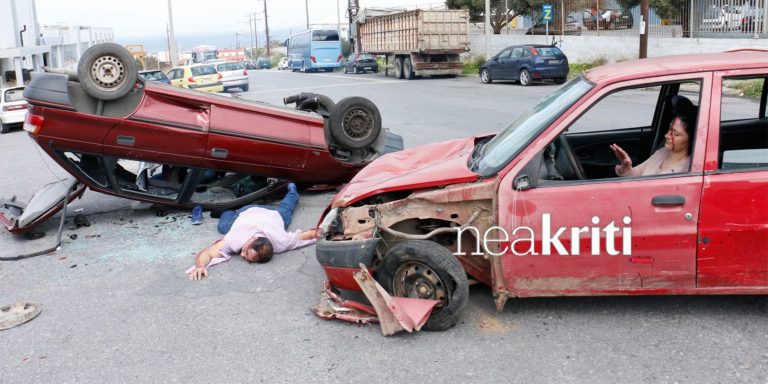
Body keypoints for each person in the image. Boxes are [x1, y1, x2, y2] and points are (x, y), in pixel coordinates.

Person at [187, 183, 317, 281]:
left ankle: (293, 190)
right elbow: (208, 252)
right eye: (245, 251)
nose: (242, 255)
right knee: (223, 227)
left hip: (272, 214)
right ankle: (229, 210)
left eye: (247, 258)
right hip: (246, 212)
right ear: (252, 240)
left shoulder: (281, 241)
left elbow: (313, 234)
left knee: (287, 208)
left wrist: (331, 233)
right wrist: (200, 266)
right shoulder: (236, 238)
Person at [611, 95, 696, 177]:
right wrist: (627, 167)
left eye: (676, 134)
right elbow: (638, 173)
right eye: (669, 129)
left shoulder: (689, 169)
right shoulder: (662, 152)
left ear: (691, 138)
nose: (667, 135)